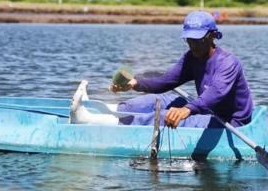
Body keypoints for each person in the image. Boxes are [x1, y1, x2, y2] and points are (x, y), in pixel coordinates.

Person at [72, 10, 253, 128]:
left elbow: (215, 94)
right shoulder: (191, 57)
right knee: (155, 101)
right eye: (189, 39)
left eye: (199, 40)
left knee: (164, 115)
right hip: (203, 108)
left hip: (230, 121)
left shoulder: (228, 63)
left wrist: (187, 110)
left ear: (212, 36)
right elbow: (166, 81)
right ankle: (102, 111)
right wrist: (136, 84)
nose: (193, 45)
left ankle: (90, 120)